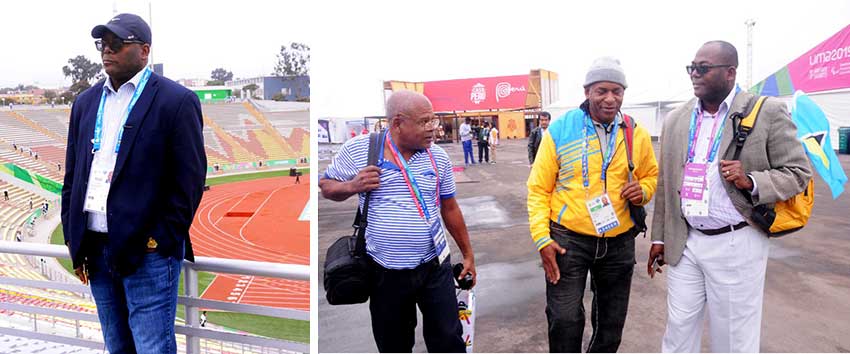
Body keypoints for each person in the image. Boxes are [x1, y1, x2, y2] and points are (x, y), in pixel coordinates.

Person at [649, 41, 812, 353]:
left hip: (736, 243)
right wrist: (660, 236)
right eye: (692, 68)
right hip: (687, 241)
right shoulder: (676, 119)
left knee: (733, 337)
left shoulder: (766, 112)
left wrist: (751, 180)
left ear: (730, 73)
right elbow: (665, 183)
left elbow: (798, 173)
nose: (694, 74)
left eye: (703, 68)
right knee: (678, 330)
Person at [61, 13, 206, 354]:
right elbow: (73, 175)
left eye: (117, 43)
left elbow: (189, 179)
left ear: (144, 51)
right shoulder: (85, 103)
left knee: (152, 346)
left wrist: (159, 239)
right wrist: (74, 238)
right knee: (116, 345)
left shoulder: (176, 101)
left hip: (148, 253)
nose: (106, 51)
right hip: (94, 250)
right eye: (103, 44)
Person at [319, 90, 476, 353]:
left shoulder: (437, 157)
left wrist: (468, 254)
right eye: (424, 122)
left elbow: (450, 208)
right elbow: (326, 186)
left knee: (449, 340)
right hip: (384, 272)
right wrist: (352, 185)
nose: (433, 129)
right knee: (394, 344)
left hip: (434, 265)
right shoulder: (361, 150)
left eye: (434, 120)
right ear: (397, 124)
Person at [527, 56, 658, 353]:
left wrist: (644, 190)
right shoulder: (560, 130)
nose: (610, 99)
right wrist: (541, 239)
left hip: (619, 241)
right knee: (564, 319)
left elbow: (651, 175)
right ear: (587, 91)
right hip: (568, 240)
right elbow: (538, 188)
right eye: (602, 91)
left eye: (617, 91)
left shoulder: (634, 132)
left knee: (611, 325)